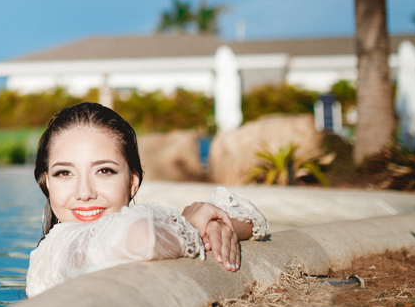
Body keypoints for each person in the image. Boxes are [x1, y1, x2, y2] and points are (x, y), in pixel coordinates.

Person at [26, 102, 268, 297]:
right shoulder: (55, 250)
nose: (84, 192)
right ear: (47, 182)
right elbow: (142, 237)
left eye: (104, 171)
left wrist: (216, 225)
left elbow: (252, 219)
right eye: (64, 173)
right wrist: (191, 226)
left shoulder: (148, 228)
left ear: (132, 182)